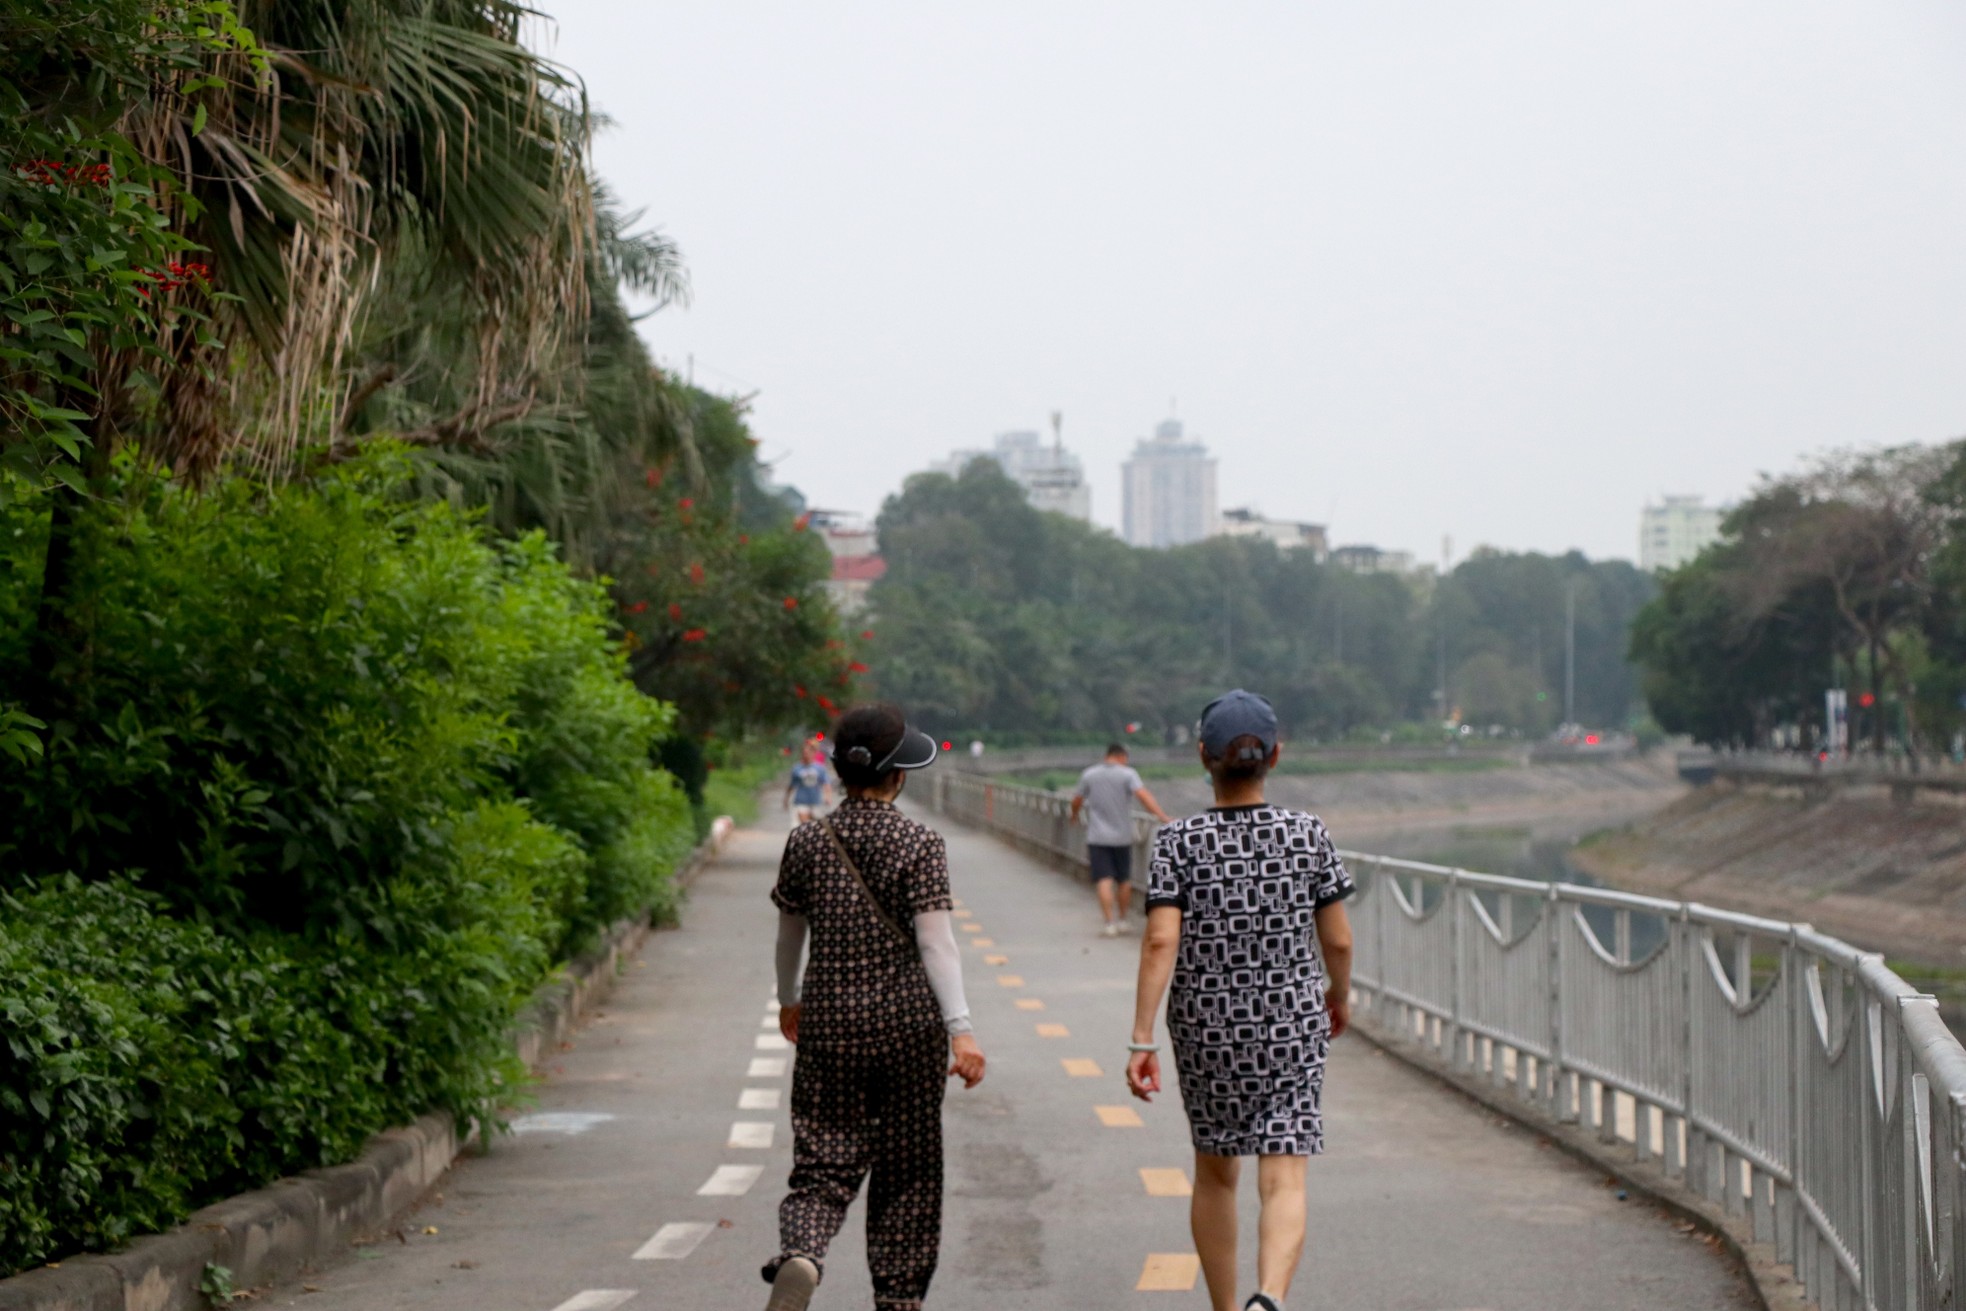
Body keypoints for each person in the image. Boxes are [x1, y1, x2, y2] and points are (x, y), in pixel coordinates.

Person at [1125, 690, 1356, 1311]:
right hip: (1290, 1017)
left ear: (1204, 757)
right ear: (1274, 757)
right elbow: (1337, 938)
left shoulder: (1177, 841)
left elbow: (1160, 941)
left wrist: (1142, 1037)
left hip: (1206, 1024)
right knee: (1284, 1172)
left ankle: (1226, 1309)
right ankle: (1270, 1299)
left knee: (1216, 1170)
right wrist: (1339, 995)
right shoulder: (1308, 833)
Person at [763, 703, 988, 1311]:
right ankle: (897, 1299)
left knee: (822, 1159)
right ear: (899, 775)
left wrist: (791, 1002)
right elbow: (936, 942)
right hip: (909, 1031)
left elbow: (790, 933)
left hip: (831, 1025)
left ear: (839, 771)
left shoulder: (807, 840)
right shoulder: (919, 842)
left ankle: (803, 1254)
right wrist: (961, 1031)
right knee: (907, 1172)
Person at [1070, 742, 1174, 937]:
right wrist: (1162, 817)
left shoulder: (1089, 774)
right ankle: (1123, 919)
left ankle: (1109, 923)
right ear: (1122, 756)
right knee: (1124, 879)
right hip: (1122, 837)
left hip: (1097, 837)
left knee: (1103, 879)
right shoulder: (1128, 774)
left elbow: (1077, 800)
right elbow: (1143, 795)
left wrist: (1074, 816)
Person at [783, 743, 833, 824]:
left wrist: (828, 797)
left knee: (817, 825)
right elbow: (792, 785)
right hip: (801, 801)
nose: (806, 755)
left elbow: (826, 783)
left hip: (816, 801)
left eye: (808, 752)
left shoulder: (819, 768)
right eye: (804, 753)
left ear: (813, 753)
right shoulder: (797, 768)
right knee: (804, 823)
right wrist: (786, 799)